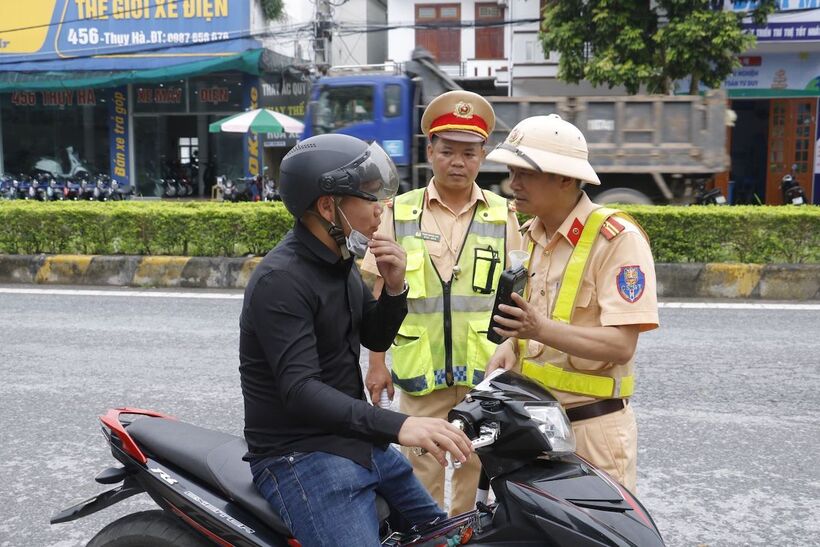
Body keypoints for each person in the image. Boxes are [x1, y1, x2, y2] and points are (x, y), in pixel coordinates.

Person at [240, 133, 473, 547]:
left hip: (356, 442)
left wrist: (395, 287)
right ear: (327, 206)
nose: (381, 208)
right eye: (368, 197)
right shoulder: (281, 280)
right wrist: (401, 425)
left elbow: (373, 335)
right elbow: (301, 390)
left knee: (446, 538)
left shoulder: (340, 260)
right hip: (300, 455)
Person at [361, 90, 521, 515]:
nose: (458, 162)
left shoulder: (503, 215)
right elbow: (377, 291)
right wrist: (376, 364)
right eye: (447, 151)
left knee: (475, 469)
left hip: (483, 373)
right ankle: (428, 540)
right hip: (420, 370)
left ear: (483, 156)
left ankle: (464, 536)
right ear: (430, 151)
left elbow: (518, 293)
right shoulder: (398, 212)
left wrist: (514, 349)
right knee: (418, 474)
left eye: (469, 153)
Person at [483, 114, 659, 492]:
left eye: (525, 173)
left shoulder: (617, 239)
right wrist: (510, 346)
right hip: (534, 426)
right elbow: (531, 318)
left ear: (565, 178)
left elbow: (621, 345)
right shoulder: (529, 234)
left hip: (593, 431)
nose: (513, 184)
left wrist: (539, 329)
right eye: (512, 172)